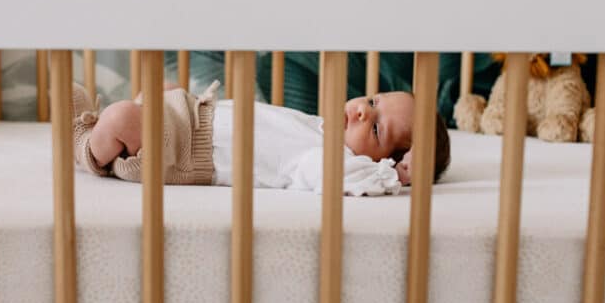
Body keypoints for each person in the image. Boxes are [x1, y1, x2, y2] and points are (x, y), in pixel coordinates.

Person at [71, 80, 451, 196]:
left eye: (376, 129)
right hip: (191, 114)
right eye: (372, 102)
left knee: (124, 116)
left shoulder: (323, 162)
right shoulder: (321, 128)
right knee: (161, 88)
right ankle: (105, 122)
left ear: (383, 160)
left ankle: (87, 144)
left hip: (183, 153)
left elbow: (343, 179)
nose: (363, 111)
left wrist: (398, 175)